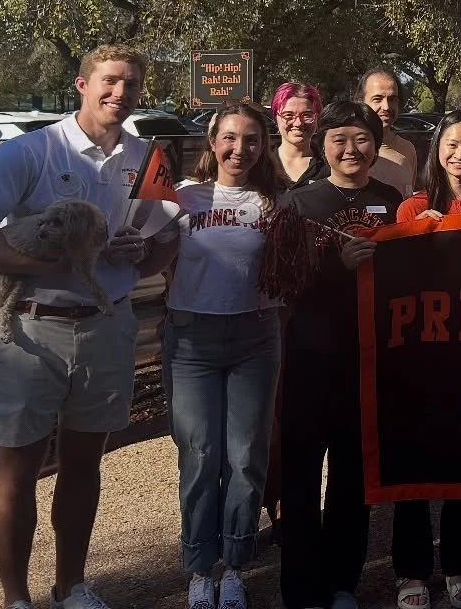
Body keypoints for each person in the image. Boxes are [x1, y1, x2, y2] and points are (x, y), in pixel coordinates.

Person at [0, 44, 180, 609]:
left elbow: (166, 238)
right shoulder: (31, 151)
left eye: (131, 85)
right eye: (110, 81)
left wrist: (140, 249)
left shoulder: (148, 157)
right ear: (81, 83)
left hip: (105, 324)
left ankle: (72, 585)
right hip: (26, 329)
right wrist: (50, 264)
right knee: (17, 465)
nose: (120, 94)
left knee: (83, 463)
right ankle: (16, 598)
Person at [277, 102, 403, 609]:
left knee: (354, 477)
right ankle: (302, 588)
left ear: (375, 144)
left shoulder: (392, 199)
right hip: (310, 358)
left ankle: (342, 582)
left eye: (361, 139)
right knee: (302, 477)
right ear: (322, 146)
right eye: (340, 140)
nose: (352, 150)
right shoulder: (298, 203)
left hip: (368, 360)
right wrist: (337, 266)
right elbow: (282, 282)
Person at [166, 101, 283, 609]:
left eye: (252, 139)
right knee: (199, 454)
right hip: (191, 339)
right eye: (230, 138)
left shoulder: (278, 201)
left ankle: (234, 562)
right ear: (212, 143)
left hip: (256, 337)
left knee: (245, 456)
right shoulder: (180, 199)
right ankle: (199, 567)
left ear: (264, 145)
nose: (240, 149)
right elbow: (146, 252)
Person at [390, 110, 461, 608]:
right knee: (413, 460)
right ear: (437, 149)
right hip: (419, 353)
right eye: (453, 145)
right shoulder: (410, 206)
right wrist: (413, 235)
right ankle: (411, 571)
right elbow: (395, 281)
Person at [359, 67, 419, 197]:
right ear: (361, 102)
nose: (386, 107)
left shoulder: (407, 150)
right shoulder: (348, 149)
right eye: (377, 99)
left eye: (392, 99)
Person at [271, 81, 325, 188]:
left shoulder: (329, 165)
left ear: (317, 117)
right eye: (288, 115)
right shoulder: (260, 164)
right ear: (275, 117)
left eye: (306, 115)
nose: (298, 123)